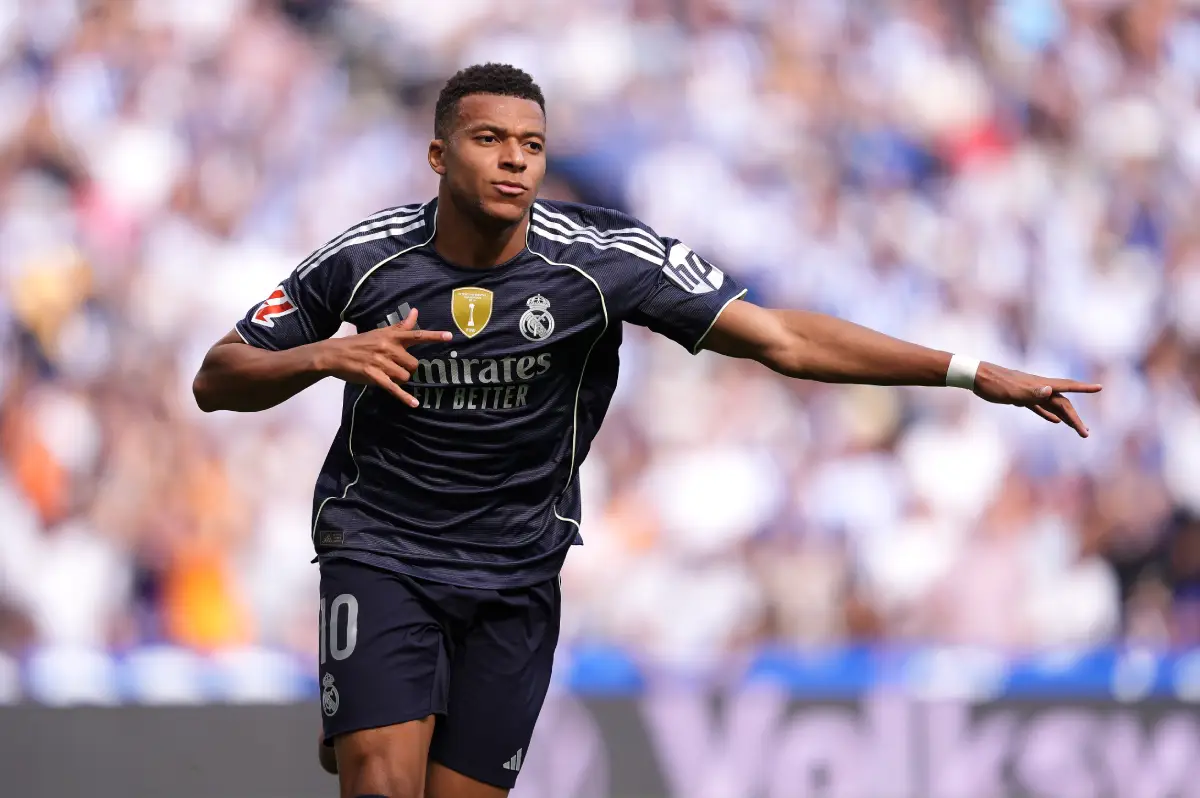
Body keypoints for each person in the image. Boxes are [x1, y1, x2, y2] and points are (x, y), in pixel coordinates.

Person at [191, 63, 1100, 798]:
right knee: (383, 786)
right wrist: (324, 359)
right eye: (489, 140)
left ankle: (375, 712)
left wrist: (969, 371)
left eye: (533, 145)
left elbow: (783, 336)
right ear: (438, 155)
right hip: (383, 550)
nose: (515, 161)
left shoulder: (601, 261)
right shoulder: (367, 259)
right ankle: (372, 714)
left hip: (516, 573)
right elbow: (216, 375)